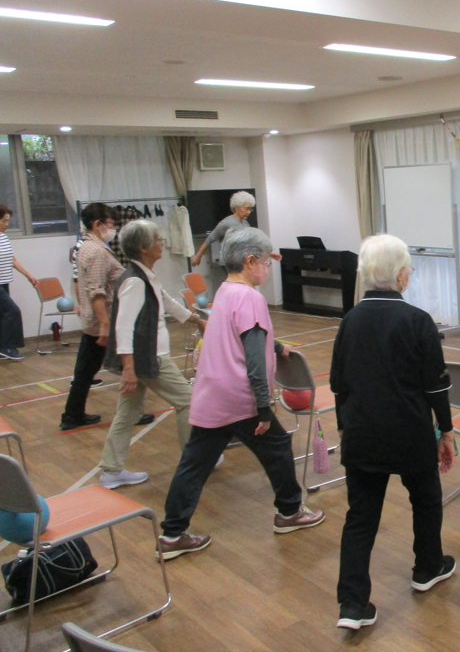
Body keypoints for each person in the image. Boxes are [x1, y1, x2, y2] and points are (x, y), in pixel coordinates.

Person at [157, 227, 325, 560]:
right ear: (250, 262)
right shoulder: (250, 298)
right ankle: (289, 512)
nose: (268, 268)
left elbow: (239, 336)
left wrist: (276, 346)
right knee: (277, 446)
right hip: (239, 398)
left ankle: (171, 534)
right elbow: (252, 357)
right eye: (266, 262)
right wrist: (263, 407)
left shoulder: (225, 291)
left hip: (211, 394)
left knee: (194, 464)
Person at [330, 234, 456, 631]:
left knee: (360, 517)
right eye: (410, 270)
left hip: (361, 433)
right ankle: (428, 567)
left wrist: (344, 427)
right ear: (401, 274)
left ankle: (352, 604)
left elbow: (338, 385)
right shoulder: (417, 321)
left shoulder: (349, 321)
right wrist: (446, 432)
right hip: (409, 433)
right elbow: (435, 386)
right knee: (426, 498)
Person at [99, 220, 206, 489]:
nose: (162, 243)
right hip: (149, 358)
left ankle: (111, 470)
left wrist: (197, 320)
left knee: (127, 412)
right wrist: (128, 368)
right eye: (157, 239)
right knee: (189, 401)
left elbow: (166, 300)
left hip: (143, 358)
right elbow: (123, 327)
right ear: (143, 247)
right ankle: (194, 462)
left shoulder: (144, 275)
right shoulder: (135, 281)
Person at [59, 204, 123, 430]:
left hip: (95, 321)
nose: (113, 228)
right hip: (102, 323)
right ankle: (73, 415)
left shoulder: (85, 246)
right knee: (126, 366)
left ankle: (72, 415)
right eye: (111, 223)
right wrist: (104, 324)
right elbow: (97, 290)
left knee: (85, 371)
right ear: (98, 224)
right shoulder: (96, 252)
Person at [0, 204, 38, 361]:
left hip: (4, 281)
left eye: (8, 221)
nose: (7, 224)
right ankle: (8, 347)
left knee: (3, 314)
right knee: (13, 311)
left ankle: (2, 348)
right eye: (3, 220)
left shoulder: (3, 237)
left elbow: (12, 259)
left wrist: (28, 275)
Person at [190, 190, 254, 268]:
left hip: (242, 261)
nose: (249, 212)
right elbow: (210, 239)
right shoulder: (226, 223)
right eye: (246, 209)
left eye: (250, 209)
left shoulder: (246, 223)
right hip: (229, 262)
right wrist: (198, 256)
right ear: (236, 207)